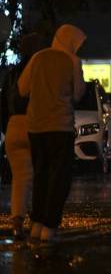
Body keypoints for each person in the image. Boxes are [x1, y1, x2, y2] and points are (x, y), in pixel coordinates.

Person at [18, 24, 86, 242]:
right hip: (61, 127)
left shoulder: (37, 57)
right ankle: (49, 225)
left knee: (41, 175)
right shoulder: (73, 62)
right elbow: (77, 94)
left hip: (35, 127)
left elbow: (22, 88)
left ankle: (36, 222)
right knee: (59, 179)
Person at [1, 34, 45, 239]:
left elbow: (2, 104)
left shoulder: (11, 74)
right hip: (35, 124)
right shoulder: (40, 69)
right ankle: (37, 222)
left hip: (13, 126)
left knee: (20, 178)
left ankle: (17, 222)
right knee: (39, 176)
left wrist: (7, 126)